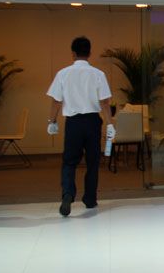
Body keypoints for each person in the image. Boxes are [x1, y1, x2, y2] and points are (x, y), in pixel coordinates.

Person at [46, 36, 115, 217]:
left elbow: (56, 101)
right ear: (89, 53)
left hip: (73, 123)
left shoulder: (63, 74)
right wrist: (110, 124)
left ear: (73, 53)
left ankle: (68, 194)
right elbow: (105, 102)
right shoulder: (98, 74)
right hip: (92, 122)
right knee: (93, 162)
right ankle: (90, 199)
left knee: (69, 161)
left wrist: (52, 121)